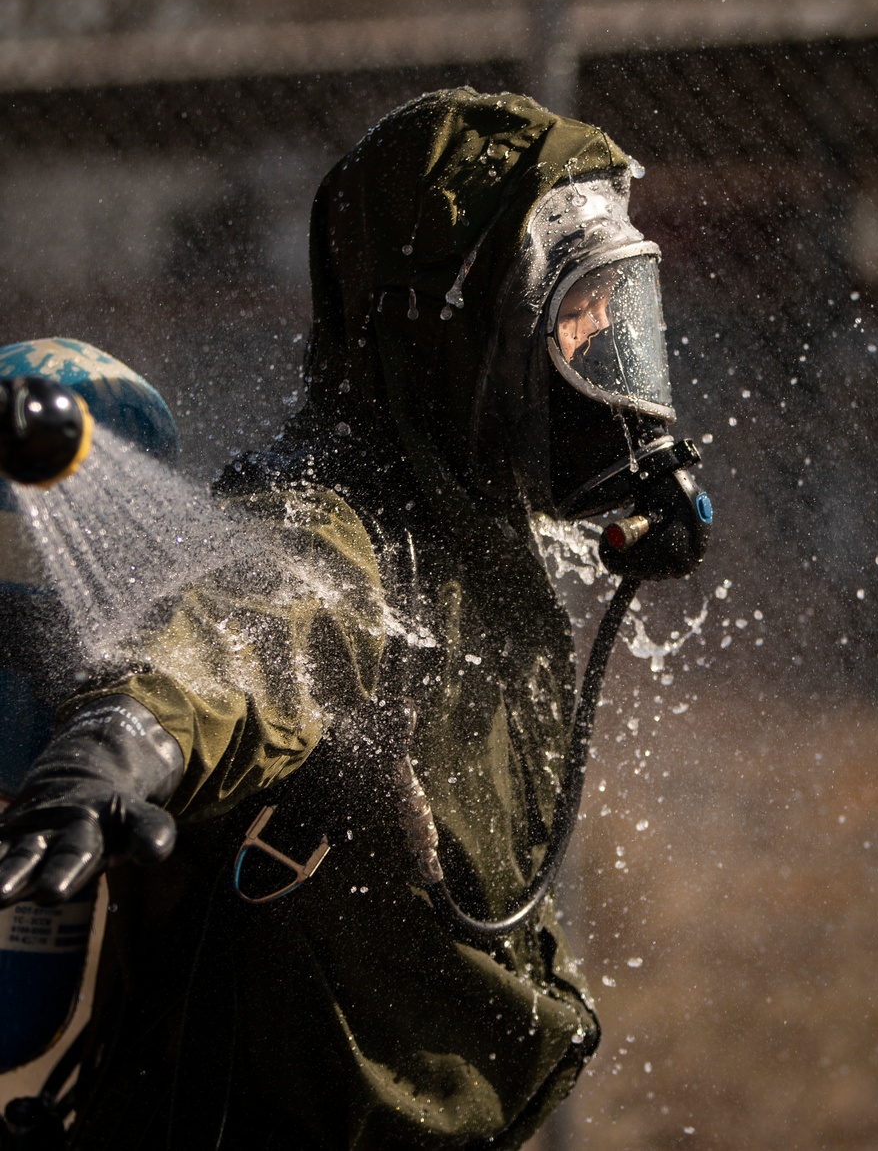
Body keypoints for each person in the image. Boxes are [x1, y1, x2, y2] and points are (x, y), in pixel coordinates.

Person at [0, 88, 684, 1151]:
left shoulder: (478, 542)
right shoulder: (335, 517)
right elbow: (255, 625)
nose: (607, 364)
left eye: (618, 322)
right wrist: (130, 735)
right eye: (577, 322)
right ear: (466, 341)